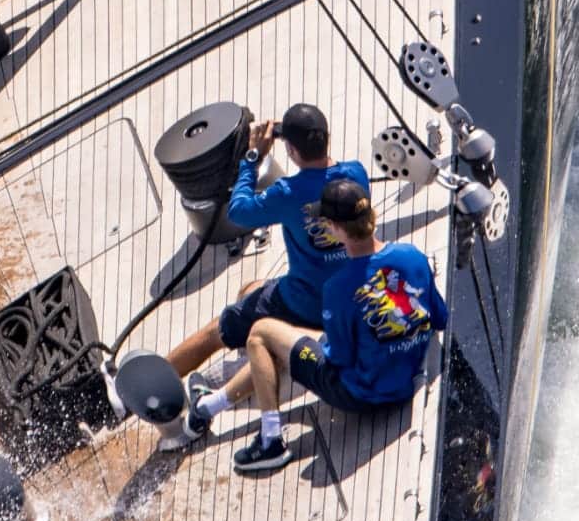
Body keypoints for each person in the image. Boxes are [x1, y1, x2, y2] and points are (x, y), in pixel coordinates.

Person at [181, 177, 449, 474]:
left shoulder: (337, 288)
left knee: (261, 334)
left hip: (361, 394)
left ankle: (270, 441)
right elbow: (440, 317)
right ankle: (208, 406)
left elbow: (338, 359)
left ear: (334, 229)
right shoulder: (412, 256)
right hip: (403, 378)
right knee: (288, 338)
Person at [156, 102, 366, 443]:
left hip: (306, 302)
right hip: (344, 297)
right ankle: (264, 359)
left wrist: (252, 158)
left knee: (219, 329)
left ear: (292, 149)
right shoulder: (355, 175)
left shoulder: (287, 193)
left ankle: (148, 393)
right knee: (250, 290)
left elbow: (239, 210)